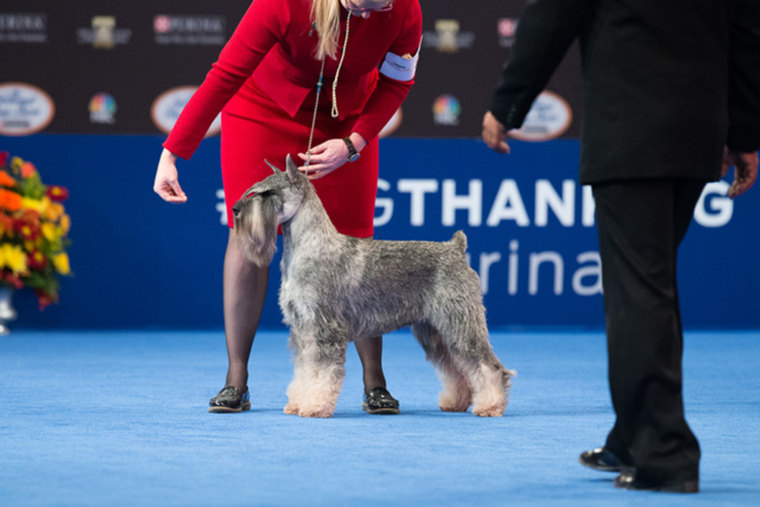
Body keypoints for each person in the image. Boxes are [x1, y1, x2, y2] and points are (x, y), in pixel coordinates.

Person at [482, 0, 759, 493]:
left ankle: (666, 453)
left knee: (640, 294)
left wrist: (507, 105)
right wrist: (742, 135)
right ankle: (632, 436)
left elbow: (550, 20)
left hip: (632, 136)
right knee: (652, 287)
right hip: (697, 137)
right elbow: (746, 38)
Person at [153, 0, 423, 415]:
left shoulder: (404, 7)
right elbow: (226, 75)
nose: (373, 14)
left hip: (346, 120)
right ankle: (236, 378)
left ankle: (375, 380)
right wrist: (173, 151)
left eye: (382, 5)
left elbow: (397, 82)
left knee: (356, 244)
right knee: (250, 238)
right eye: (366, 5)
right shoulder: (283, 2)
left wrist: (355, 143)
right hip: (263, 108)